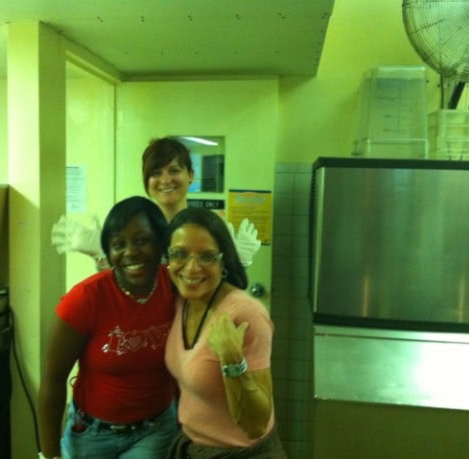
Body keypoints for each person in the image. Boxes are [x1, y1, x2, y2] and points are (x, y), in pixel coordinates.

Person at [38, 196, 179, 459]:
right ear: (109, 252)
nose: (130, 252)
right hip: (91, 434)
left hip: (155, 430)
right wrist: (49, 455)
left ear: (160, 242)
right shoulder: (85, 298)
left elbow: (212, 288)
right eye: (118, 244)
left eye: (142, 240)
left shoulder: (175, 286)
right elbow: (53, 379)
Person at [164, 207, 286, 458]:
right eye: (180, 254)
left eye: (207, 257)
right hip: (192, 445)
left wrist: (232, 359)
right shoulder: (181, 301)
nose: (191, 268)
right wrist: (102, 259)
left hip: (242, 454)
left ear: (223, 261)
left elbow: (255, 425)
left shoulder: (245, 314)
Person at [51, 137, 261, 268]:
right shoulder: (132, 227)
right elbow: (120, 289)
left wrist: (238, 263)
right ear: (146, 180)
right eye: (156, 173)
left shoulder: (208, 226)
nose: (165, 180)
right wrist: (103, 256)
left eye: (174, 170)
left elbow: (222, 290)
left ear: (190, 175)